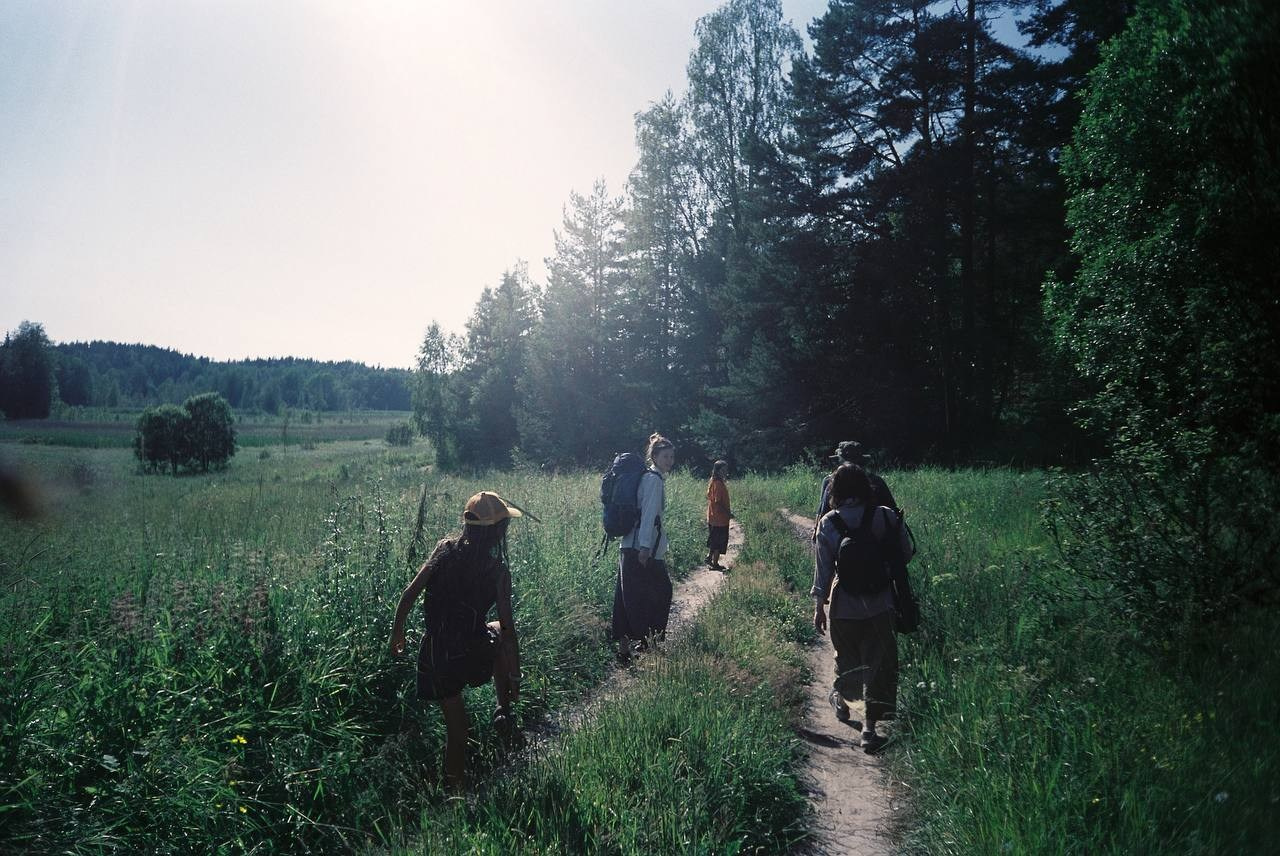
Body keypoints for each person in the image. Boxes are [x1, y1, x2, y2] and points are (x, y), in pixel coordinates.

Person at [389, 491, 524, 790]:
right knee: (497, 629)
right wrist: (514, 676)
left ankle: (455, 796)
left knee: (458, 732)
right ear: (498, 531)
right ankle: (503, 709)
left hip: (437, 655)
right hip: (472, 653)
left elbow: (409, 595)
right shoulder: (498, 572)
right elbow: (508, 630)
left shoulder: (443, 551)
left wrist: (397, 631)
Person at [812, 464, 911, 752]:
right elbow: (905, 554)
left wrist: (819, 607)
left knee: (847, 660)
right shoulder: (885, 516)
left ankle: (843, 701)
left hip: (844, 605)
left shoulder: (829, 522)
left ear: (835, 490)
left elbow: (823, 571)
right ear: (867, 487)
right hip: (882, 604)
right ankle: (869, 729)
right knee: (879, 665)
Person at [612, 432, 675, 661]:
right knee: (661, 593)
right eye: (665, 457)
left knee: (626, 598)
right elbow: (648, 515)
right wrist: (646, 548)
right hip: (641, 550)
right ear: (654, 457)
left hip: (629, 545)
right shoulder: (653, 480)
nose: (670, 461)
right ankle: (649, 643)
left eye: (672, 457)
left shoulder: (648, 477)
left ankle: (625, 650)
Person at [813, 440, 897, 540]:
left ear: (840, 461)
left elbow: (823, 511)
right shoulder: (877, 481)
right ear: (862, 460)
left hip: (839, 539)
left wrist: (816, 530)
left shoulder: (829, 481)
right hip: (876, 539)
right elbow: (893, 511)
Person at [705, 460, 732, 570]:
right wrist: (728, 513)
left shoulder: (713, 481)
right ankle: (715, 564)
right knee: (718, 543)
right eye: (723, 470)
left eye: (726, 470)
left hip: (713, 517)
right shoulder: (718, 484)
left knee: (714, 539)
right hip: (719, 518)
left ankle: (709, 557)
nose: (725, 472)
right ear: (717, 470)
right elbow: (718, 502)